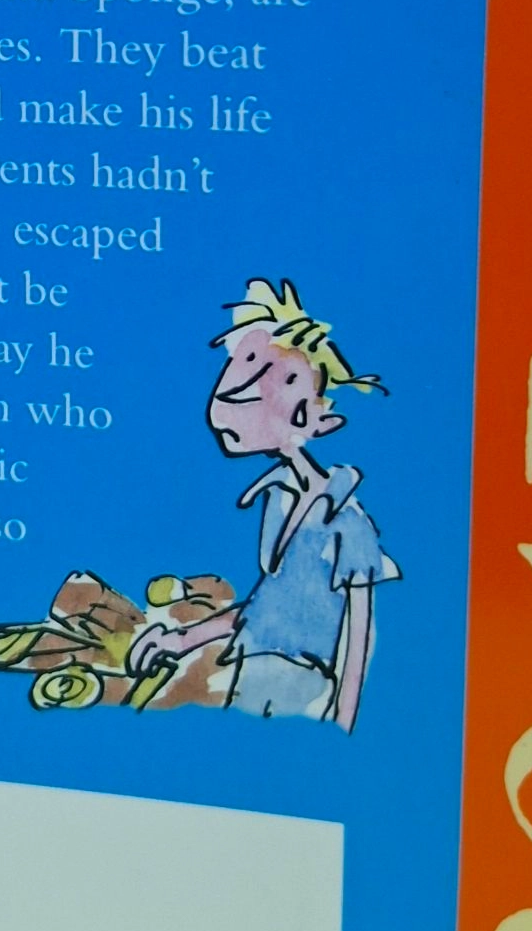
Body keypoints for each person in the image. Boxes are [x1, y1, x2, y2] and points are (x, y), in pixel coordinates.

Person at [128, 280, 399, 731]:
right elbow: (264, 610)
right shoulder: (277, 497)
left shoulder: (345, 521)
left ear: (313, 418)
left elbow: (358, 637)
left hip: (309, 692)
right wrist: (181, 640)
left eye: (267, 389)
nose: (228, 405)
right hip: (254, 678)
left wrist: (343, 726)